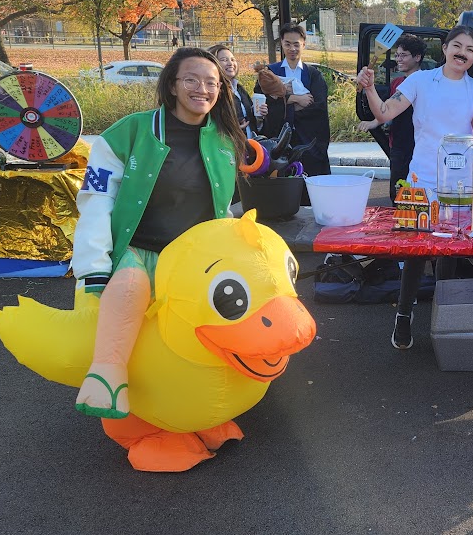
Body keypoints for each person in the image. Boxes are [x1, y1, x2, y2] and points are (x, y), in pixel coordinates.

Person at [72, 47, 246, 418]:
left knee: (201, 338)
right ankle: (107, 378)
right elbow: (96, 198)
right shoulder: (130, 132)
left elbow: (227, 208)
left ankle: (201, 414)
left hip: (195, 263)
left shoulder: (225, 139)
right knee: (130, 297)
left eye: (212, 83)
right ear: (171, 85)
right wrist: (94, 264)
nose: (203, 89)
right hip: (140, 251)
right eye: (191, 80)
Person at [357, 25, 473, 349]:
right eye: (457, 45)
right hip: (421, 180)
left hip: (458, 186)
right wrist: (370, 89)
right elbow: (384, 112)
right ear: (444, 48)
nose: (462, 53)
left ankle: (445, 316)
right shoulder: (419, 81)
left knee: (450, 252)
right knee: (415, 249)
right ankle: (403, 314)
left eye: (469, 49)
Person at [253, 23, 331, 178]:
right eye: (287, 44)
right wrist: (294, 99)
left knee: (310, 186)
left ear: (303, 44)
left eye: (296, 44)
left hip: (308, 140)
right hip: (277, 141)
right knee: (281, 187)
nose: (292, 49)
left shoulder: (313, 74)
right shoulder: (270, 73)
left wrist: (281, 103)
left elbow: (318, 106)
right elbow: (263, 103)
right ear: (281, 43)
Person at [358, 34, 426, 203]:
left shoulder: (428, 82)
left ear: (417, 57)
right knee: (397, 193)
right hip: (399, 145)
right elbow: (388, 111)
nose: (398, 59)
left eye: (403, 55)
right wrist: (373, 122)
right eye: (396, 55)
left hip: (421, 147)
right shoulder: (397, 83)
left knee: (419, 194)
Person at [209, 44, 258, 139]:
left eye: (232, 59)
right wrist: (232, 130)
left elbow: (250, 120)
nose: (230, 63)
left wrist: (259, 116)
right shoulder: (213, 92)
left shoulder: (240, 89)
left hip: (249, 145)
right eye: (224, 60)